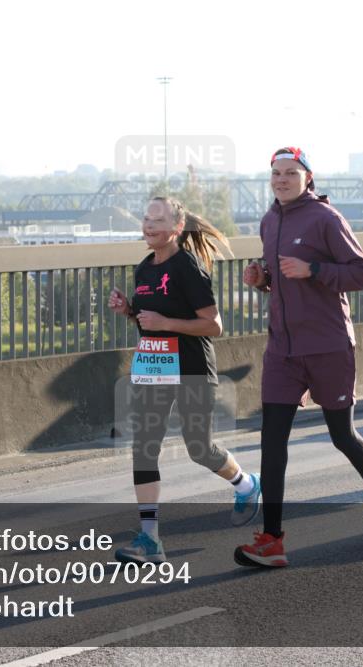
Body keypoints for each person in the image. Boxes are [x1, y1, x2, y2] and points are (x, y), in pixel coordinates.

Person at [235, 147, 363, 569]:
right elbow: (281, 281)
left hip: (327, 345)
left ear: (308, 177)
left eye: (290, 173)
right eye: (276, 173)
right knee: (272, 441)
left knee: (342, 436)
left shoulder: (326, 219)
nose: (281, 180)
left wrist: (315, 270)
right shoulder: (269, 221)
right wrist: (262, 279)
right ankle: (272, 540)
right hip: (282, 350)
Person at [107, 196, 261, 564]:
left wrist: (166, 323)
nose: (149, 225)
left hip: (191, 369)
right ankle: (150, 540)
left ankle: (246, 484)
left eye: (158, 220)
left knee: (199, 449)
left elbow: (213, 325)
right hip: (154, 369)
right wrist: (128, 310)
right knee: (144, 447)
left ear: (177, 228)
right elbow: (149, 320)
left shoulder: (188, 267)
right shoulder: (144, 268)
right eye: (146, 218)